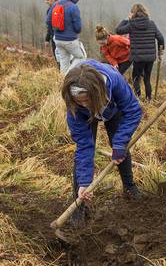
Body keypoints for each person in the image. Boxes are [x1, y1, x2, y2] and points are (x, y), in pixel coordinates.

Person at [61, 60, 143, 226]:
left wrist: (120, 144)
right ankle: (78, 202)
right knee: (82, 153)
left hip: (112, 108)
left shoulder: (115, 81)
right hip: (84, 116)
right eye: (80, 101)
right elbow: (84, 145)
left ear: (97, 93)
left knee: (120, 146)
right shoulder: (75, 107)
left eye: (87, 100)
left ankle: (129, 187)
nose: (84, 104)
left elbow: (133, 110)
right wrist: (85, 182)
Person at [116, 3, 164, 101]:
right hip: (150, 58)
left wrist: (126, 19)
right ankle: (148, 99)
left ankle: (137, 97)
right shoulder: (151, 23)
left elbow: (118, 30)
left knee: (136, 77)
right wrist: (160, 51)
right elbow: (161, 38)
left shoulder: (131, 24)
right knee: (147, 78)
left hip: (138, 58)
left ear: (133, 13)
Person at [47, 0, 85, 74]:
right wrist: (75, 32)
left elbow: (48, 20)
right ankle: (68, 74)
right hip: (70, 40)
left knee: (64, 61)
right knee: (80, 58)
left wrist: (54, 32)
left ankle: (62, 81)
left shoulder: (55, 5)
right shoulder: (73, 7)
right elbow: (78, 27)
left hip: (57, 40)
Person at [44, 0, 60, 69]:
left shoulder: (58, 9)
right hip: (53, 36)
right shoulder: (49, 10)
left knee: (60, 57)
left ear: (53, 0)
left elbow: (50, 24)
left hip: (58, 36)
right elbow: (48, 27)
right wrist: (47, 39)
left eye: (48, 0)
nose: (46, 2)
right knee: (57, 56)